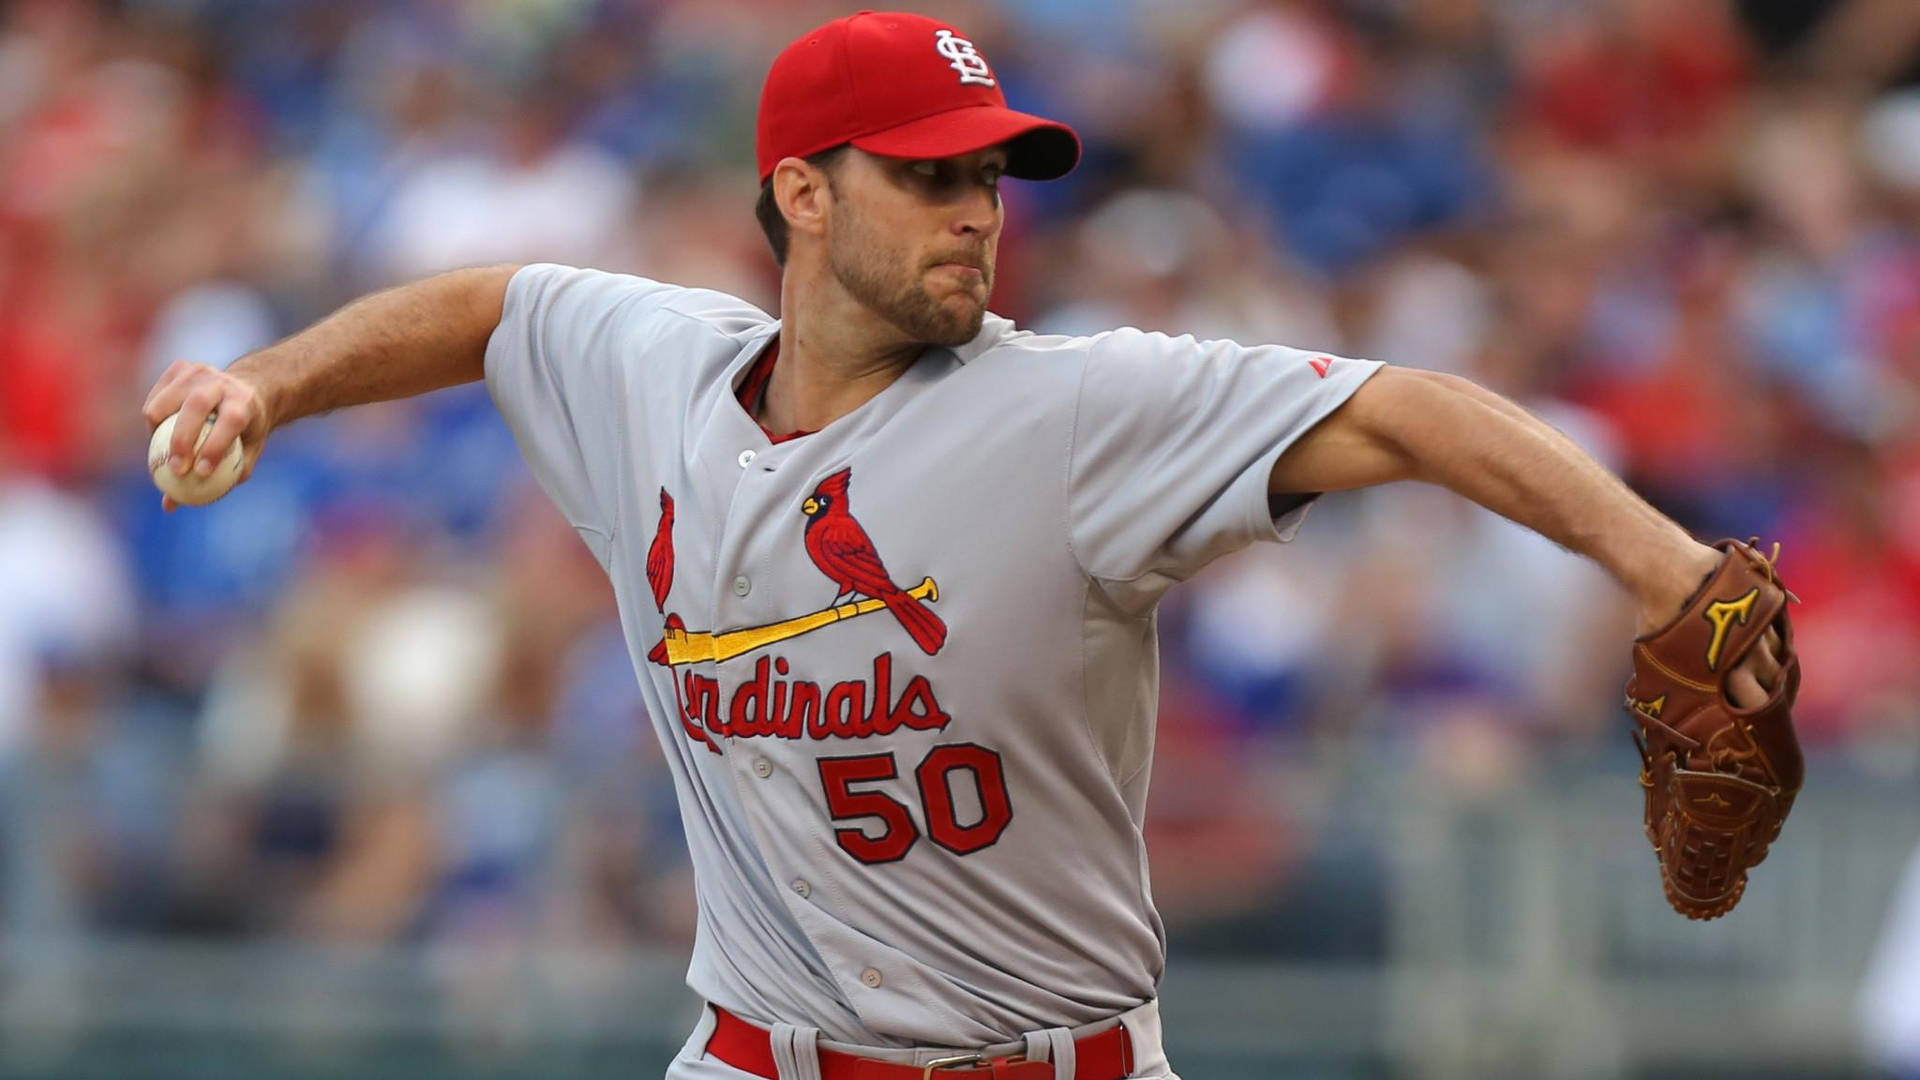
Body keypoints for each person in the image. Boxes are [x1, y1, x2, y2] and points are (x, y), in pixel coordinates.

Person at [140, 12, 1788, 1079]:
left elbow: (1414, 408)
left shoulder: (1077, 414)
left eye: (990, 176)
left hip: (1046, 1060)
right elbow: (491, 307)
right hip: (750, 1053)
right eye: (928, 179)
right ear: (800, 191)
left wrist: (1668, 574)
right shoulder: (648, 369)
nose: (979, 211)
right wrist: (267, 386)